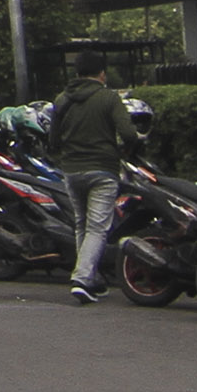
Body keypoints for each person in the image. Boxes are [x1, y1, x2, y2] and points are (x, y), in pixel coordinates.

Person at [47, 62, 129, 304]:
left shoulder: (62, 99)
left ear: (77, 73)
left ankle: (90, 279)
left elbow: (53, 140)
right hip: (103, 170)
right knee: (97, 228)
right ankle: (82, 279)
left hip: (71, 171)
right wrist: (123, 149)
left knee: (82, 225)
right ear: (101, 74)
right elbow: (128, 132)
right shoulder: (109, 98)